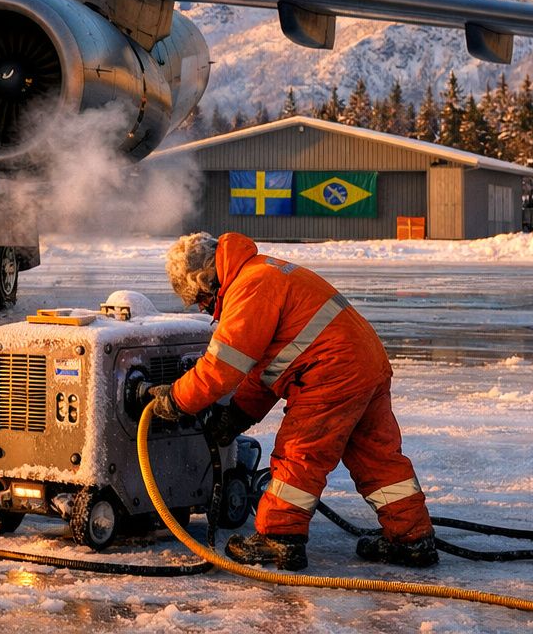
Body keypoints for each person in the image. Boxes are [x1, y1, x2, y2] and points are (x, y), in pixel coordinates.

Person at [148, 231, 435, 572]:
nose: (202, 307)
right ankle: (412, 539)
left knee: (300, 453)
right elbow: (272, 366)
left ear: (206, 278)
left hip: (331, 372)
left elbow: (221, 368)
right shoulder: (263, 272)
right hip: (364, 364)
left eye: (199, 298)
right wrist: (237, 416)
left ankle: (279, 539)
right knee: (378, 457)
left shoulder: (248, 288)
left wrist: (177, 400)